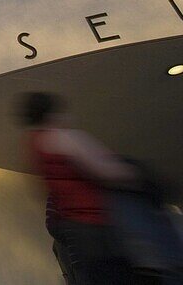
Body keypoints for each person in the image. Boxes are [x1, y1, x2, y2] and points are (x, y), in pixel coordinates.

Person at [18, 92, 138, 285]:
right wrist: (132, 172)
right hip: (98, 226)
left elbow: (40, 190)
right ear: (51, 113)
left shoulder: (33, 145)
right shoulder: (61, 137)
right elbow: (107, 171)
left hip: (75, 230)